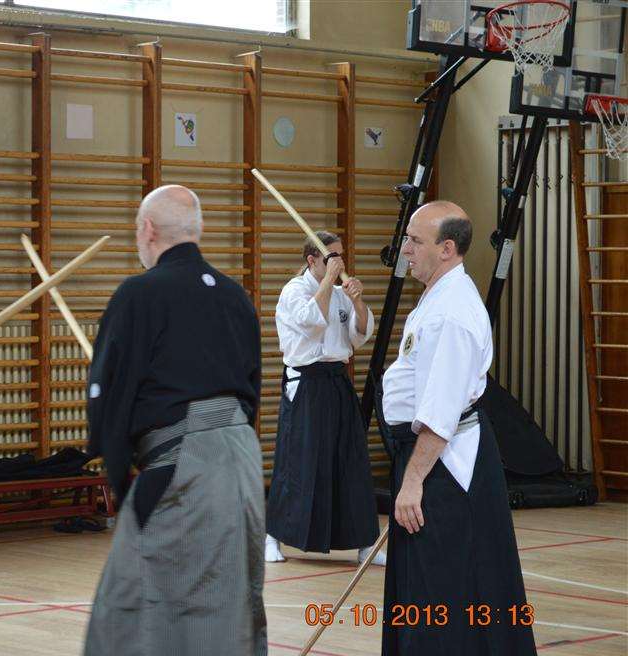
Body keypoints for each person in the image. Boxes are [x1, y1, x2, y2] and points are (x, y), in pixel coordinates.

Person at [83, 185, 267, 656]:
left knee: (128, 608)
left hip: (185, 465)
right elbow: (251, 388)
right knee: (229, 601)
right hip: (244, 465)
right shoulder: (234, 296)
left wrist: (121, 477)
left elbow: (109, 390)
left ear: (146, 230)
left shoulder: (139, 293)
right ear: (198, 230)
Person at [378, 201, 535, 655]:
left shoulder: (453, 313)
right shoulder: (439, 294)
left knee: (447, 583)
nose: (404, 249)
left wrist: (411, 483)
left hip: (444, 468)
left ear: (447, 248)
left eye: (414, 241)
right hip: (434, 460)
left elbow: (441, 412)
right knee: (430, 585)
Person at [266, 232, 384, 566]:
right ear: (312, 260)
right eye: (332, 257)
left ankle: (365, 545)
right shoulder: (294, 291)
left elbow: (359, 335)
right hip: (306, 382)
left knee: (351, 458)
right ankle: (272, 536)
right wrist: (330, 281)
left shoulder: (340, 294)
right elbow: (309, 324)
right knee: (297, 459)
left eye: (341, 256)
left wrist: (358, 301)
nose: (340, 262)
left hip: (337, 379)